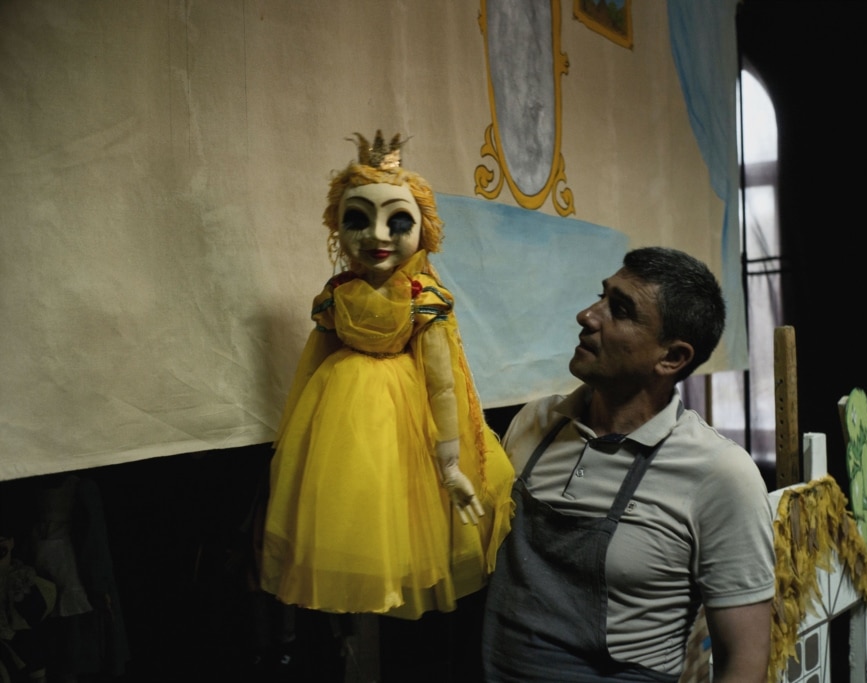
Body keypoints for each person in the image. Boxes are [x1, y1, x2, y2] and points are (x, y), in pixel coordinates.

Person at [481, 247, 775, 682]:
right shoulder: (535, 423)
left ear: (671, 358)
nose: (587, 315)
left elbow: (745, 661)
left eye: (619, 310)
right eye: (602, 296)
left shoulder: (720, 475)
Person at [260, 131, 515, 622]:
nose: (377, 236)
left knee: (398, 521)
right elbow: (315, 358)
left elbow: (443, 384)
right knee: (350, 516)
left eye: (397, 222)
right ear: (338, 225)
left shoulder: (422, 297)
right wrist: (294, 437)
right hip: (340, 418)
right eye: (358, 220)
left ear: (424, 230)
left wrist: (449, 466)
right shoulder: (338, 293)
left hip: (404, 418)